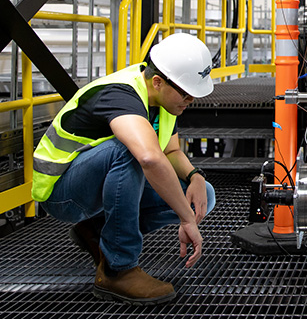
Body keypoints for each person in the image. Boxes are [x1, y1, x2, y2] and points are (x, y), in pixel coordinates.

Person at [31, 32, 216, 305]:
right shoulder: (121, 94)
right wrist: (186, 220)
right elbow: (150, 158)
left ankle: (95, 230)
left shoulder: (162, 99)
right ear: (158, 81)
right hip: (62, 193)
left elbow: (171, 151)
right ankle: (118, 269)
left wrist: (195, 177)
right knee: (129, 152)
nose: (190, 100)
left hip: (94, 186)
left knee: (203, 196)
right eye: (186, 93)